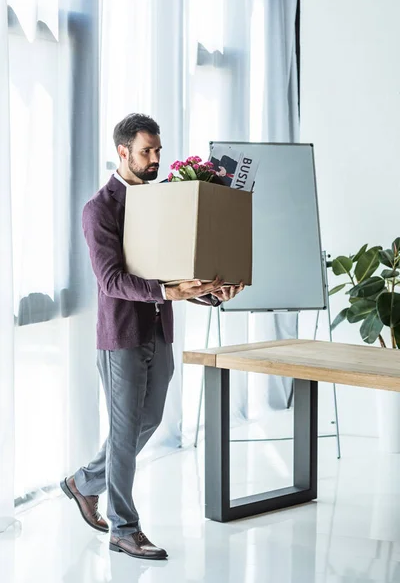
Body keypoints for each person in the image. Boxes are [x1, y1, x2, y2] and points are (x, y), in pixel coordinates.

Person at [60, 113, 245, 560]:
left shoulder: (162, 202)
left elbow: (175, 270)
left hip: (159, 330)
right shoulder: (99, 209)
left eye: (158, 150)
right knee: (124, 433)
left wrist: (213, 293)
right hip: (121, 335)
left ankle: (83, 482)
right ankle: (124, 529)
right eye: (147, 151)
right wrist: (168, 290)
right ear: (122, 152)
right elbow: (110, 281)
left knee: (149, 421)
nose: (155, 159)